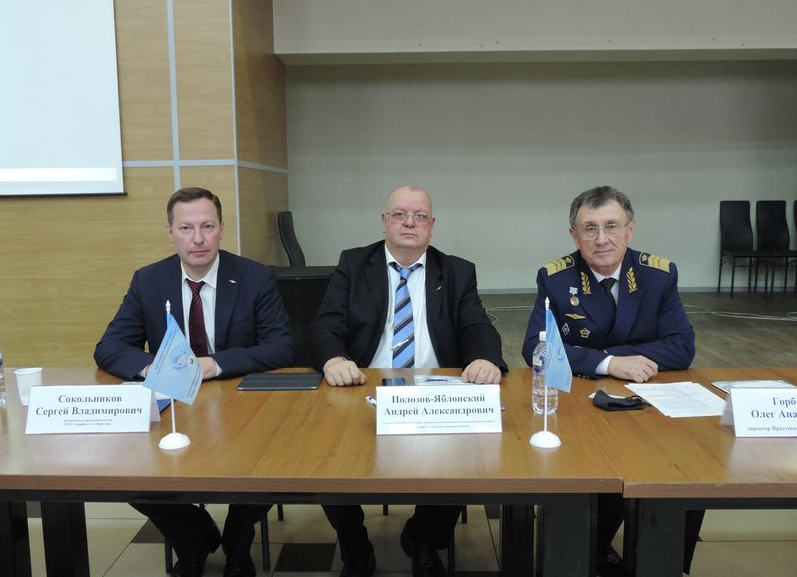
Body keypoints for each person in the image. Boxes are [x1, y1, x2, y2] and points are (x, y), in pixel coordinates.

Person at [95, 187, 294, 577]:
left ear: (222, 229)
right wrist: (154, 368)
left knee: (274, 458)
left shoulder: (254, 277)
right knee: (121, 469)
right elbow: (110, 347)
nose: (198, 239)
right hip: (173, 405)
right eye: (186, 228)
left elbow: (282, 346)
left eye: (207, 226)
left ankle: (238, 543)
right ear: (171, 232)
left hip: (242, 405)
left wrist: (212, 365)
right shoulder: (149, 280)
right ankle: (193, 537)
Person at [309, 185, 506, 577]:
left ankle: (422, 538)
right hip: (364, 388)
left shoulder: (456, 271)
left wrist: (484, 357)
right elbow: (326, 323)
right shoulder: (353, 263)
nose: (409, 223)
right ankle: (354, 544)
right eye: (400, 214)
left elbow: (477, 325)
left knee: (464, 457)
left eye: (419, 216)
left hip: (435, 392)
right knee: (326, 455)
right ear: (385, 221)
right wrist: (334, 359)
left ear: (432, 225)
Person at [521, 185, 700, 576]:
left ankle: (664, 562)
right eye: (590, 228)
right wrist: (610, 363)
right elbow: (536, 347)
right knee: (595, 470)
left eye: (612, 226)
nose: (602, 239)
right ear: (574, 235)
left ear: (630, 230)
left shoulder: (658, 275)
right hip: (581, 398)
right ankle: (590, 550)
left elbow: (682, 347)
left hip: (646, 397)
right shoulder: (556, 278)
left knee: (689, 465)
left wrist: (610, 358)